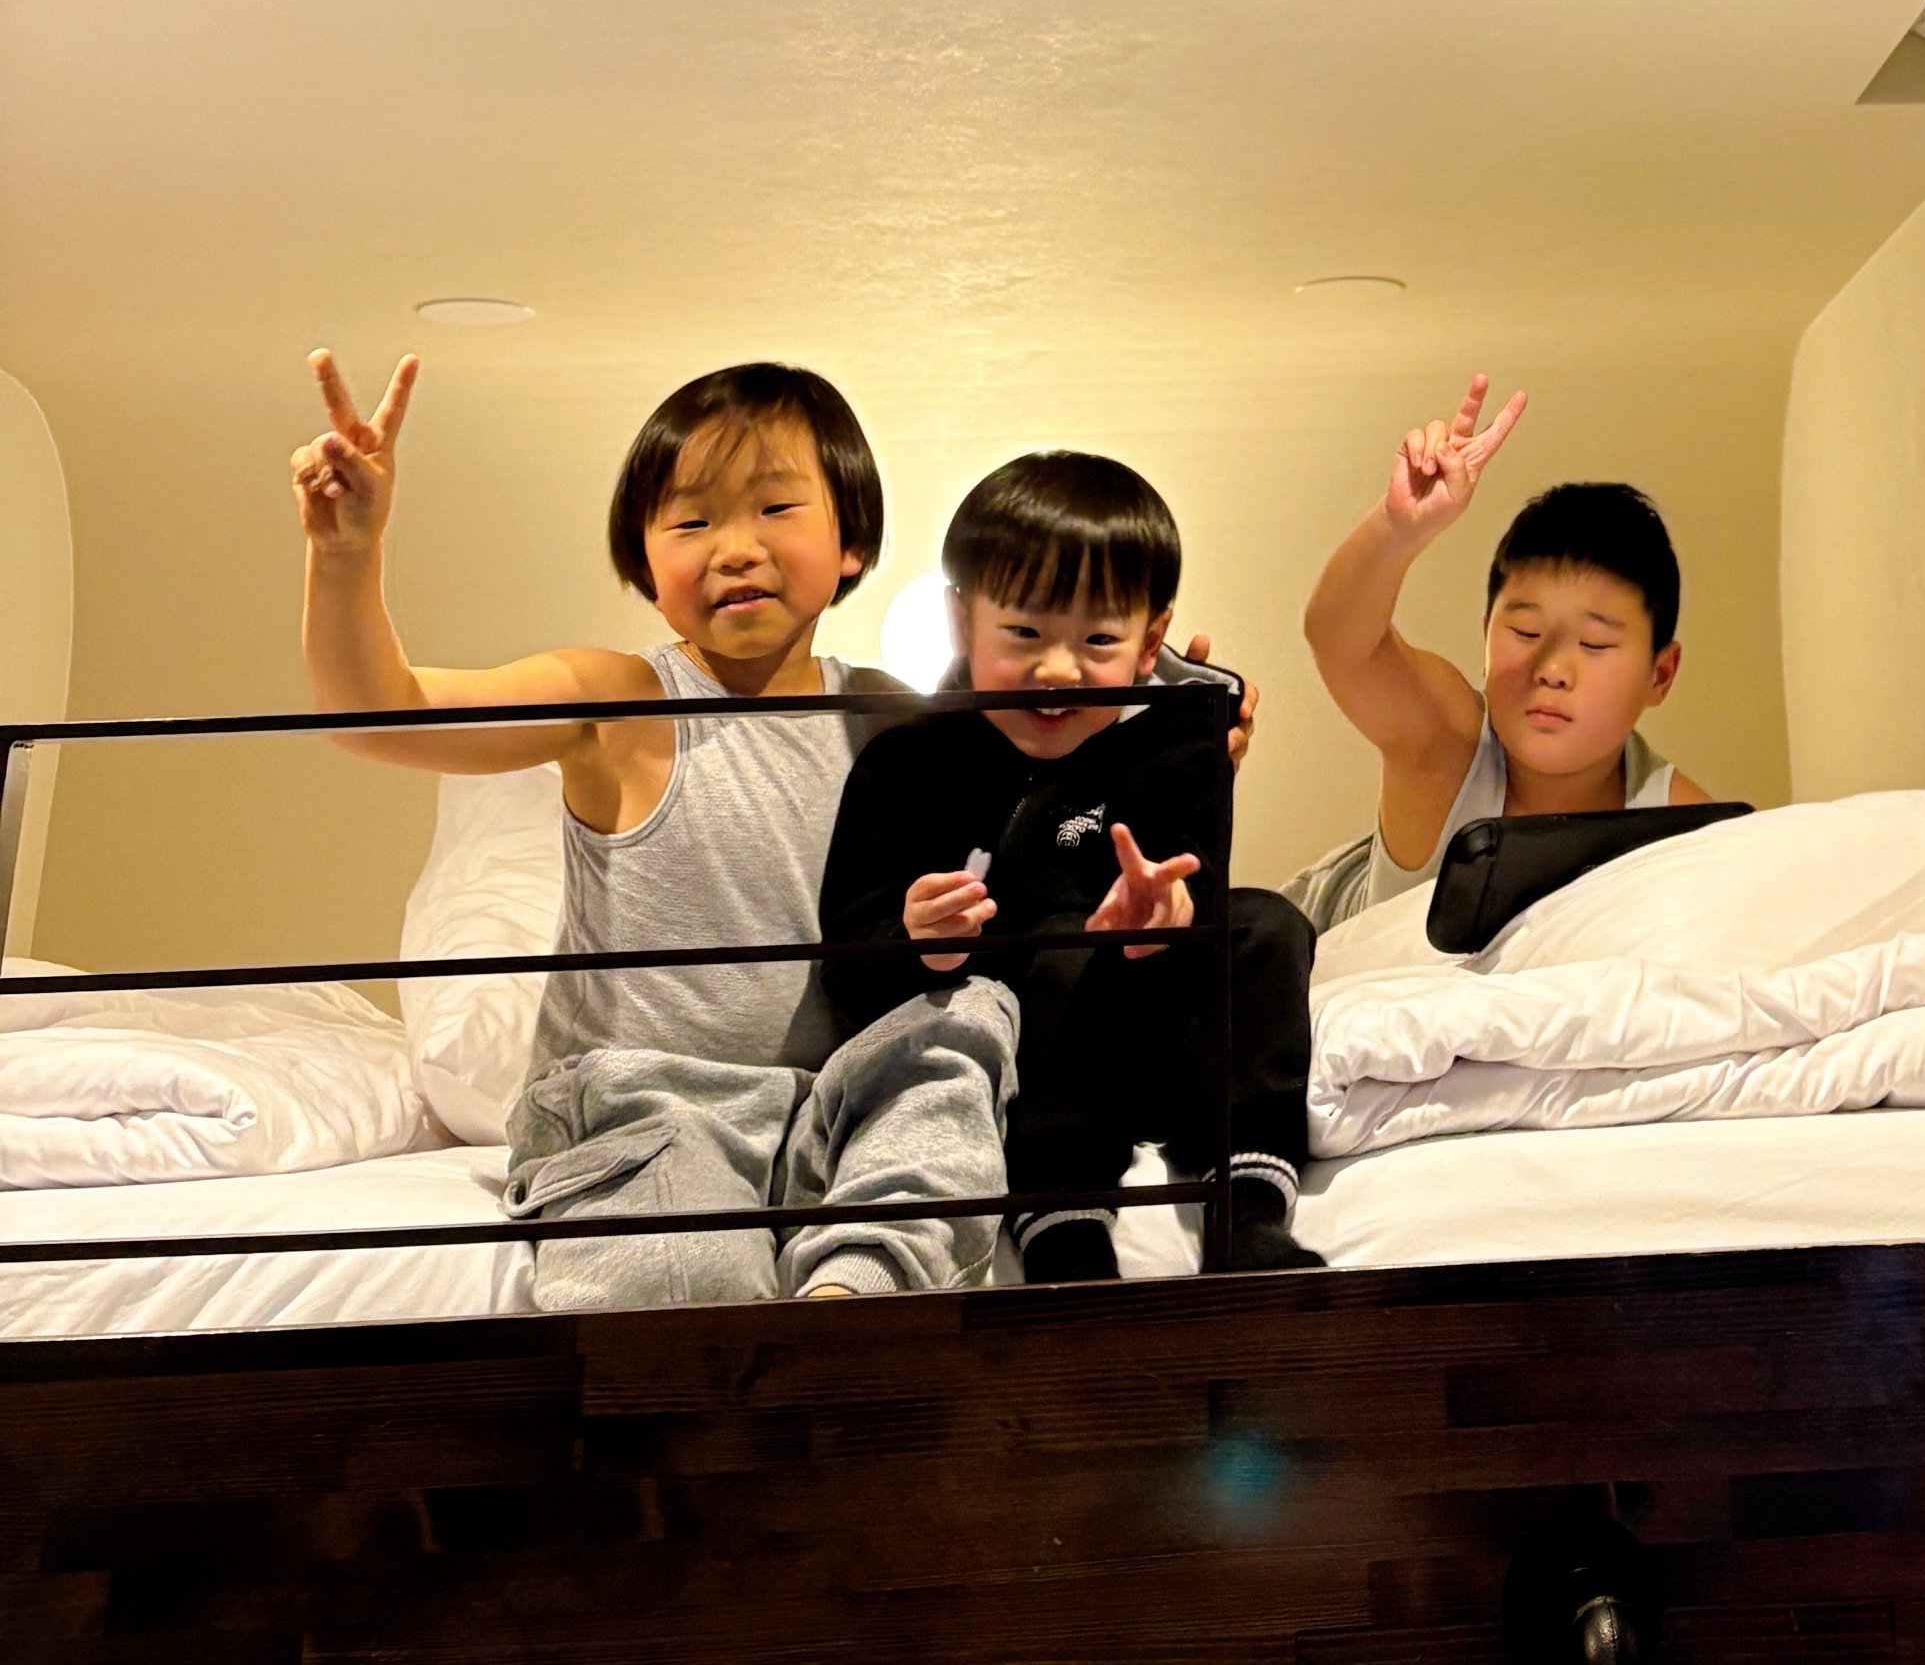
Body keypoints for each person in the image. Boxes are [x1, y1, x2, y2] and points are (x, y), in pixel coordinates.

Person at [289, 350, 1239, 1307]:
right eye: (691, 520)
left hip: (838, 1105)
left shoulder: (901, 722)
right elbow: (380, 716)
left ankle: (850, 1299)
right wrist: (345, 555)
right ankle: (743, 1341)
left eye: (776, 508)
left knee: (965, 1028)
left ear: (851, 542)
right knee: (680, 1268)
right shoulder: (620, 703)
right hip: (648, 1107)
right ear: (643, 561)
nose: (735, 547)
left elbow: (1065, 780)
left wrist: (1189, 741)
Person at [821, 449, 1317, 1280]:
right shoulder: (907, 764)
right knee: (1046, 955)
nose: (1057, 669)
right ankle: (1062, 1226)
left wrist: (1168, 916)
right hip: (1038, 1069)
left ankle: (1248, 1208)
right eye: (1023, 633)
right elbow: (848, 965)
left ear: (1150, 640)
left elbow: (1194, 879)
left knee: (1268, 920)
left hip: (1162, 1034)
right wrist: (920, 944)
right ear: (961, 624)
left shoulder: (1176, 746)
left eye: (1098, 639)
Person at [1292, 378, 1717, 929]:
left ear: (1660, 674)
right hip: (1302, 947)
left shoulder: (1685, 825)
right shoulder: (1449, 743)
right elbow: (1343, 642)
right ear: (1486, 636)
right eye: (1525, 632)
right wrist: (1398, 529)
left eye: (1594, 644)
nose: (1553, 671)